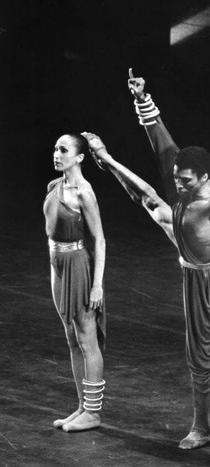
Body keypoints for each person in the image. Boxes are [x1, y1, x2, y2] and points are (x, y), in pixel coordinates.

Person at [82, 71, 210, 449]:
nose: (178, 183)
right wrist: (142, 98)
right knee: (149, 199)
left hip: (207, 275)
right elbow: (162, 143)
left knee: (200, 353)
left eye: (185, 181)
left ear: (203, 177)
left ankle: (201, 427)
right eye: (177, 178)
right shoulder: (182, 178)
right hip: (186, 248)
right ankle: (105, 158)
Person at [43, 133, 106, 433]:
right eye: (55, 148)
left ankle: (93, 413)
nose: (57, 153)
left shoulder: (84, 192)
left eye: (63, 149)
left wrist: (97, 285)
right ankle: (82, 406)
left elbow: (101, 240)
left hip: (78, 266)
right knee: (71, 336)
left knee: (86, 337)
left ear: (80, 157)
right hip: (57, 266)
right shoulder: (55, 186)